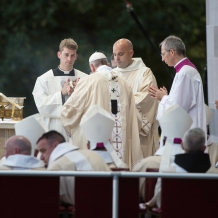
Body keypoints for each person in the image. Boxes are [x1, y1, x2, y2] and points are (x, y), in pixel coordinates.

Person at [61, 51, 143, 170]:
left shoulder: (88, 81)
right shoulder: (125, 84)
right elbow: (135, 118)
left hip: (96, 145)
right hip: (122, 144)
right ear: (108, 64)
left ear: (92, 67)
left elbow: (69, 111)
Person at [148, 35, 206, 149]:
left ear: (172, 52)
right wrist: (166, 97)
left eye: (163, 54)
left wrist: (163, 98)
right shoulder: (186, 71)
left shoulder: (184, 73)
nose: (162, 59)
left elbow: (179, 108)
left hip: (186, 134)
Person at [32, 38, 87, 141]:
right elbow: (41, 106)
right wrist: (61, 94)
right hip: (54, 130)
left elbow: (90, 105)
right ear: (59, 55)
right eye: (66, 55)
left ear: (76, 56)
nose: (69, 59)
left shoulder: (84, 78)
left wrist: (78, 93)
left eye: (72, 55)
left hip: (78, 129)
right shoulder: (44, 79)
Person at [113, 38, 159, 158]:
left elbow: (147, 97)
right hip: (116, 131)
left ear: (131, 53)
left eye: (120, 54)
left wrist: (120, 104)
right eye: (114, 54)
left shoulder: (144, 73)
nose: (116, 58)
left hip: (138, 134)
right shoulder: (111, 74)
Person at [37, 130, 110, 205]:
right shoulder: (92, 154)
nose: (41, 157)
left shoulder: (55, 167)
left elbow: (50, 201)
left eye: (43, 151)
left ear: (55, 145)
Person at [148, 128, 211, 209]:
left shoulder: (168, 173)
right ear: (204, 148)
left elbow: (160, 202)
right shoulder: (214, 173)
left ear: (182, 145)